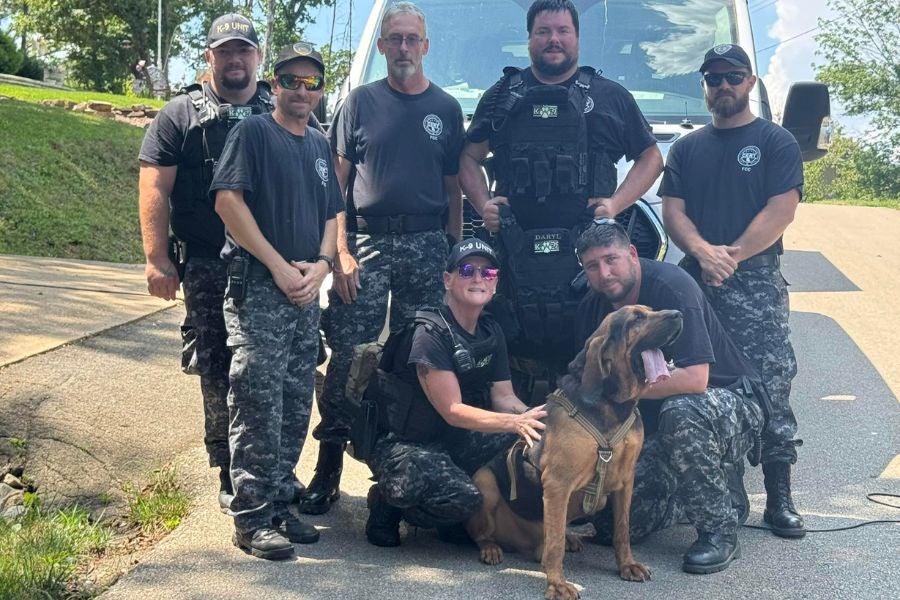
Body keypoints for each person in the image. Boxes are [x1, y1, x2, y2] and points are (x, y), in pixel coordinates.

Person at [303, 1, 466, 515]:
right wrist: (341, 253)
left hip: (425, 244)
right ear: (381, 47)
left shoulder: (446, 108)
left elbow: (454, 191)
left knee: (417, 355)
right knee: (350, 353)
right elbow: (335, 186)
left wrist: (453, 253)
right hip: (368, 245)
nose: (402, 48)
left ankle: (407, 468)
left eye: (411, 39)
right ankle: (327, 466)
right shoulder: (359, 102)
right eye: (393, 39)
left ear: (425, 46)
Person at [458, 0, 663, 392]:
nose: (554, 40)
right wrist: (484, 203)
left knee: (599, 349)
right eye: (544, 32)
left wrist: (616, 205)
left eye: (563, 31)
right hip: (516, 256)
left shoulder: (608, 96)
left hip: (587, 258)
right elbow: (469, 157)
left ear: (578, 39)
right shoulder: (502, 96)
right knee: (508, 343)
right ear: (530, 39)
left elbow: (652, 157)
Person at [660, 43, 805, 538]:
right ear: (703, 86)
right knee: (709, 382)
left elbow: (781, 210)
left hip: (757, 282)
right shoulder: (686, 148)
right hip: (699, 283)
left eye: (733, 76)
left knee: (770, 384)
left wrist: (732, 256)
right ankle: (726, 494)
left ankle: (780, 499)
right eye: (713, 77)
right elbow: (673, 211)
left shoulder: (775, 141)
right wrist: (703, 254)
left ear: (750, 82)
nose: (723, 85)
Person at [210, 41, 342, 560]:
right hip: (261, 289)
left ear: (321, 89)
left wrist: (324, 264)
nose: (301, 92)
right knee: (257, 403)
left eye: (311, 83)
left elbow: (333, 215)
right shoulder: (253, 133)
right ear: (275, 85)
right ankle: (251, 516)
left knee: (291, 402)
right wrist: (278, 264)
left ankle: (280, 503)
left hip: (305, 291)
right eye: (291, 81)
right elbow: (227, 202)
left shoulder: (318, 144)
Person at [138, 13, 276, 511]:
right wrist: (157, 258)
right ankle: (226, 467)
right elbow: (155, 185)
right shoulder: (179, 115)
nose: (235, 60)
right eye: (226, 51)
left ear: (258, 56)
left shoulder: (282, 110)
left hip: (270, 265)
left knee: (267, 369)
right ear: (209, 58)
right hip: (205, 263)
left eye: (244, 50)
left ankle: (270, 468)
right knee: (217, 367)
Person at [573, 221, 764, 574]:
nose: (604, 273)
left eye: (611, 259)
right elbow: (588, 383)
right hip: (658, 421)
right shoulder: (593, 309)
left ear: (632, 254)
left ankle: (719, 530)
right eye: (592, 266)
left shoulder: (672, 289)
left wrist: (619, 389)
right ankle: (713, 487)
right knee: (609, 522)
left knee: (683, 412)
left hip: (728, 402)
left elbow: (694, 380)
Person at [364, 239, 547, 547]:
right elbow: (452, 409)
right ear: (447, 279)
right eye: (467, 270)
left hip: (453, 439)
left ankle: (450, 512)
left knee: (528, 446)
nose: (478, 278)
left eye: (487, 272)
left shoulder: (491, 331)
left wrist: (538, 420)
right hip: (406, 445)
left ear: (495, 281)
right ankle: (388, 498)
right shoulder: (429, 333)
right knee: (465, 499)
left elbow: (504, 398)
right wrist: (514, 424)